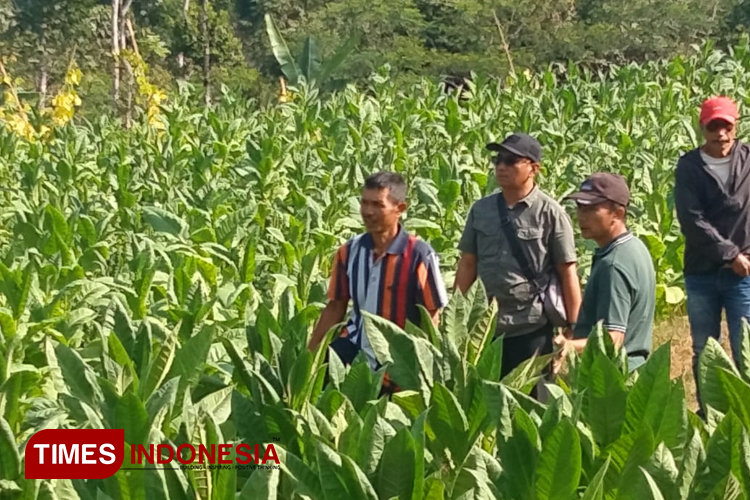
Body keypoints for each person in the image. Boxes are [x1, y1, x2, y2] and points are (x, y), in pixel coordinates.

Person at [454, 132, 582, 384]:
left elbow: (567, 272)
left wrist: (574, 327)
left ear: (534, 168)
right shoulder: (481, 210)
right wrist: (457, 316)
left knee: (533, 409)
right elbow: (468, 263)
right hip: (485, 330)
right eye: (497, 160)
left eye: (511, 161)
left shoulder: (550, 213)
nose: (501, 166)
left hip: (531, 328)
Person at [307, 171, 449, 393]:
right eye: (364, 203)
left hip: (399, 357)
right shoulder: (349, 251)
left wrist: (422, 366)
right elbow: (335, 306)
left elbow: (431, 318)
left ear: (400, 209)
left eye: (377, 205)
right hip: (354, 347)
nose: (368, 212)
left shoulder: (419, 255)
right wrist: (310, 357)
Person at [673, 95, 750, 408]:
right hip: (702, 273)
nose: (721, 134)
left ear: (736, 125)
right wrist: (731, 255)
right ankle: (710, 417)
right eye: (713, 127)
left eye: (726, 126)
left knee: (745, 349)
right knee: (705, 350)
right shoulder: (689, 166)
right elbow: (692, 220)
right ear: (702, 127)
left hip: (744, 274)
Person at [553, 173, 656, 371]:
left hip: (617, 378)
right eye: (580, 208)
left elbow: (612, 339)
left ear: (617, 213)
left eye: (592, 209)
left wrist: (568, 346)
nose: (582, 216)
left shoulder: (614, 265)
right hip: (633, 368)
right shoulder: (634, 247)